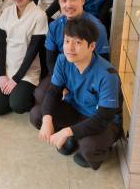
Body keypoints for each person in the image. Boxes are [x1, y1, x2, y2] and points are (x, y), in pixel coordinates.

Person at [31, 18, 121, 170]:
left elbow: (103, 118)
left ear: (92, 46)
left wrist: (67, 131)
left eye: (78, 42)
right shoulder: (63, 60)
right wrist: (47, 120)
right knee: (37, 115)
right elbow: (53, 92)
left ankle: (96, 147)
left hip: (103, 120)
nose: (70, 48)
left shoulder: (107, 75)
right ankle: (74, 137)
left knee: (89, 148)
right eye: (67, 41)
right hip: (76, 109)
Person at [33, 0, 110, 107]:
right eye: (63, 0)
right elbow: (50, 61)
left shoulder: (96, 27)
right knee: (40, 94)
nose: (68, 5)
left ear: (83, 0)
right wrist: (61, 84)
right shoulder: (54, 26)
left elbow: (103, 61)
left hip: (87, 76)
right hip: (61, 73)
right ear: (59, 3)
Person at [0, 0, 48, 116]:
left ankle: (22, 95)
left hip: (27, 70)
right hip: (7, 67)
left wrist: (16, 79)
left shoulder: (39, 15)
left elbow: (33, 51)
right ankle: (13, 94)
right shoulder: (7, 12)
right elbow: (1, 45)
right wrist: (1, 74)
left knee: (18, 105)